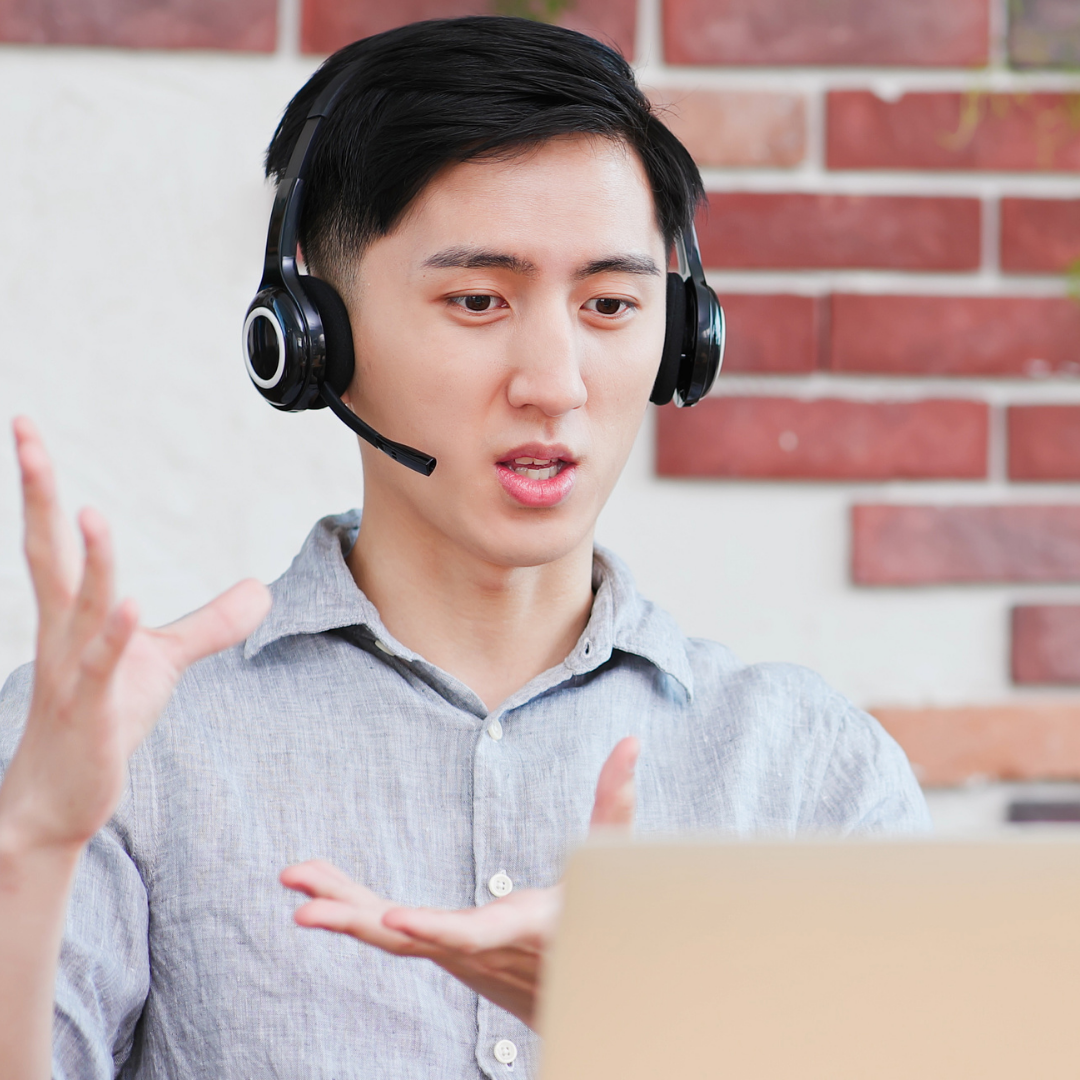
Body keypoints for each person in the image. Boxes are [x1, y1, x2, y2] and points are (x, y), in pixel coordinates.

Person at [0, 16, 930, 1080]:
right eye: (478, 301)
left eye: (613, 305)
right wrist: (27, 854)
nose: (555, 380)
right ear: (311, 337)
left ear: (681, 339)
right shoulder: (117, 746)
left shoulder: (809, 772)